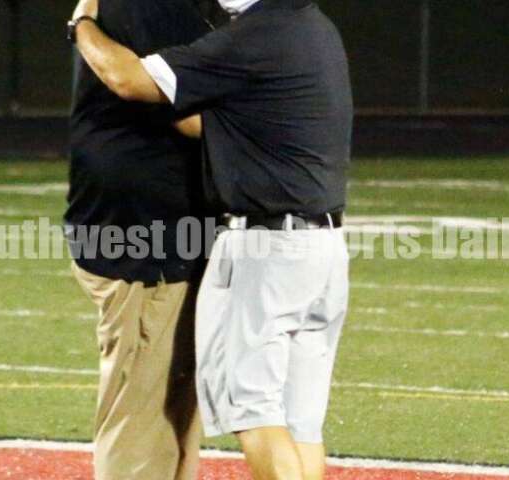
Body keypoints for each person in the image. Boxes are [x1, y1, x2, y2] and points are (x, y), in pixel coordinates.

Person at [69, 0, 353, 477]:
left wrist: (81, 26)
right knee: (300, 423)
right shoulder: (315, 29)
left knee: (255, 413)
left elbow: (132, 81)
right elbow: (199, 116)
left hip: (267, 249)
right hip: (323, 248)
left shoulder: (255, 35)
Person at [63, 1, 217, 478]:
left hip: (163, 235)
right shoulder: (149, 6)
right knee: (142, 422)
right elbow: (184, 107)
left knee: (172, 415)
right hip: (145, 241)